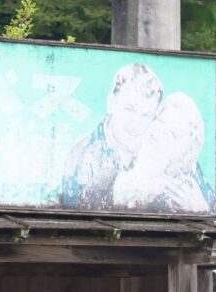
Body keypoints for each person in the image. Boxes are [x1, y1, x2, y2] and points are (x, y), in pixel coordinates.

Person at [63, 63, 164, 211]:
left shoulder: (164, 151)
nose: (137, 123)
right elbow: (73, 214)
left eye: (146, 115)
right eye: (129, 109)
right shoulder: (81, 154)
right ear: (112, 103)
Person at [111, 92, 215, 214]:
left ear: (183, 153)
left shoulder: (177, 200)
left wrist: (201, 210)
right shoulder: (107, 178)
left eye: (173, 134)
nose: (160, 132)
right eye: (160, 121)